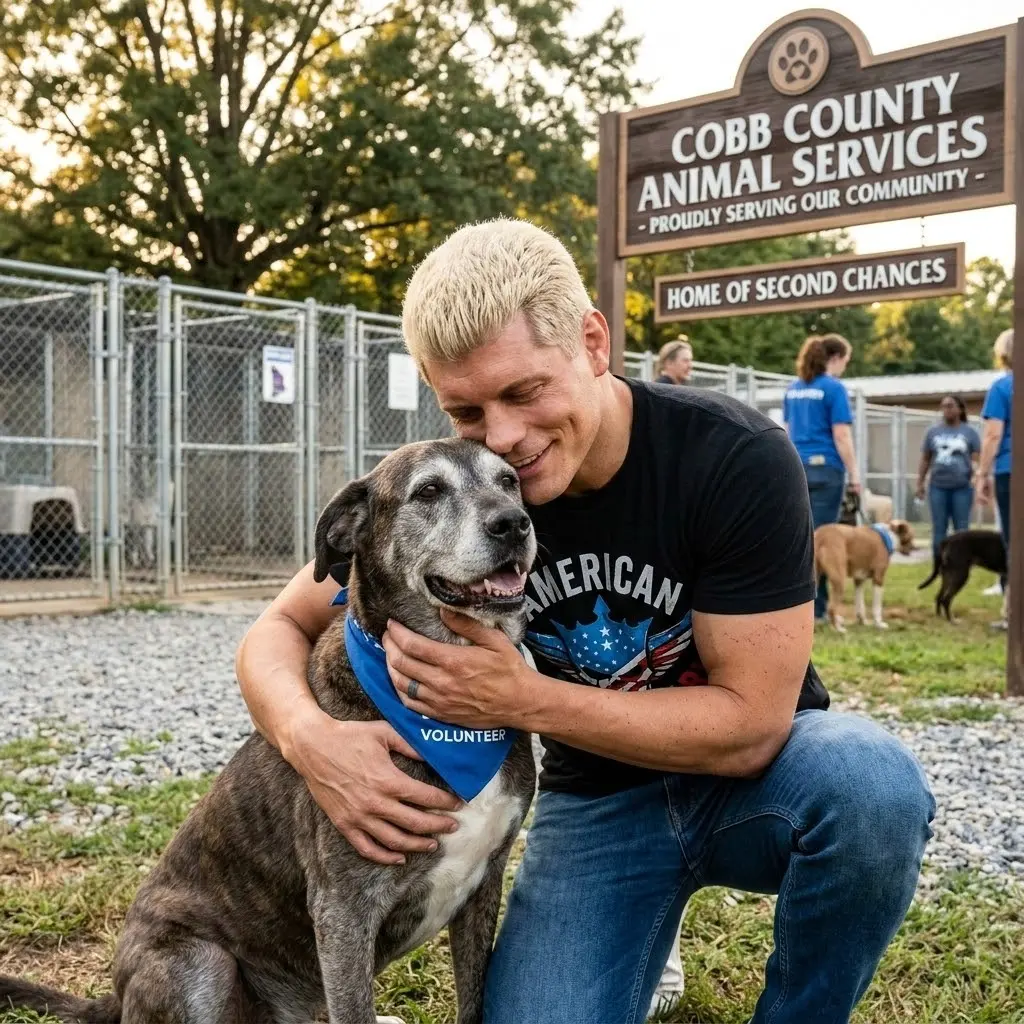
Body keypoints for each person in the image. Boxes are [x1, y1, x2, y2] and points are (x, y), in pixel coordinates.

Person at [235, 220, 934, 1024]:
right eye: (467, 409)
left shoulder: (734, 457)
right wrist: (309, 740)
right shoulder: (471, 497)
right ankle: (633, 924)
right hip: (596, 806)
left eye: (525, 391)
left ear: (592, 341)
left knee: (872, 782)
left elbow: (751, 725)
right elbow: (276, 630)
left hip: (753, 784)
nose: (504, 438)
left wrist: (518, 700)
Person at [782, 334, 861, 623]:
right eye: (845, 362)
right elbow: (841, 434)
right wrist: (855, 474)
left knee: (799, 537)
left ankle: (791, 603)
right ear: (836, 358)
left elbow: (788, 433)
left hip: (797, 466)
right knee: (825, 540)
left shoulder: (793, 389)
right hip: (827, 469)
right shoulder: (833, 388)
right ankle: (817, 607)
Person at [915, 394, 980, 561]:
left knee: (961, 528)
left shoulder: (970, 432)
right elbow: (925, 459)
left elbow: (976, 459)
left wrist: (976, 478)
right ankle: (939, 562)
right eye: (943, 406)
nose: (946, 410)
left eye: (950, 406)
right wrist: (920, 483)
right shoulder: (933, 431)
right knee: (939, 528)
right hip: (938, 487)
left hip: (962, 488)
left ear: (960, 409)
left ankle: (961, 562)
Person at [978, 328, 1013, 629]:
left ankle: (1012, 614)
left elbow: (993, 434)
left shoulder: (1002, 387)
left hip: (1010, 469)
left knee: (1014, 544)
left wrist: (982, 473)